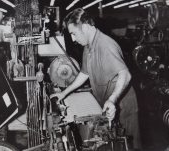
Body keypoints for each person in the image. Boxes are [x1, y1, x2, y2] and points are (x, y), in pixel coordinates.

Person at [50, 8, 141, 149]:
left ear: (85, 27)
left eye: (74, 34)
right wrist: (64, 93)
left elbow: (125, 74)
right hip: (109, 106)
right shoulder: (89, 45)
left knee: (127, 146)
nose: (73, 39)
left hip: (123, 108)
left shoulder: (105, 45)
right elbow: (84, 73)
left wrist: (112, 99)